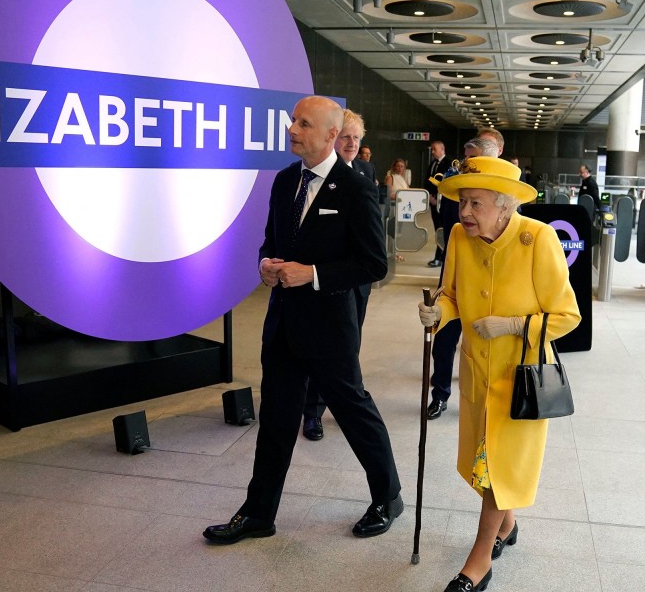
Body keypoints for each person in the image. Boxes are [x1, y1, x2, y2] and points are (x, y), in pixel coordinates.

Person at [203, 96, 402, 544]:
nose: (292, 129)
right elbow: (271, 240)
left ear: (331, 135)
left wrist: (311, 274)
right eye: (293, 121)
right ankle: (258, 513)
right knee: (275, 418)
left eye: (304, 124)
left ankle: (388, 496)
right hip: (283, 325)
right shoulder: (283, 181)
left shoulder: (354, 188)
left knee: (353, 413)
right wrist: (264, 266)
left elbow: (374, 264)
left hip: (331, 328)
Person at [418, 156, 580, 591]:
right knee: (486, 467)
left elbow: (567, 315)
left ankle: (479, 558)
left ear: (505, 206)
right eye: (462, 202)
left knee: (494, 468)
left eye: (475, 204)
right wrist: (439, 310)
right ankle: (507, 525)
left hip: (520, 380)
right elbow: (451, 293)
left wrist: (513, 325)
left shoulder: (538, 238)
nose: (464, 213)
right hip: (477, 373)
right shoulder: (457, 235)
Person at [302, 109, 375, 441]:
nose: (352, 144)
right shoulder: (316, 177)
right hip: (322, 283)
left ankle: (344, 407)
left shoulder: (364, 172)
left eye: (357, 138)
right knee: (321, 350)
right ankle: (313, 412)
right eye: (346, 137)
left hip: (357, 284)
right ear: (332, 138)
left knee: (349, 349)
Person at [427, 136, 499, 420]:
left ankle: (491, 400)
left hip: (495, 283)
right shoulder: (456, 188)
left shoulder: (505, 197)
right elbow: (449, 226)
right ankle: (440, 394)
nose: (464, 168)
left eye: (472, 162)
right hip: (457, 274)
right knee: (444, 338)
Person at [424, 141, 453, 267]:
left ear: (442, 149)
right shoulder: (432, 164)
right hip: (432, 201)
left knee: (442, 229)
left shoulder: (449, 163)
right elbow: (427, 180)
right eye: (432, 149)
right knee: (437, 229)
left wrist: (438, 198)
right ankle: (439, 256)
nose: (432, 151)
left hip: (442, 202)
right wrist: (429, 196)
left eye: (435, 149)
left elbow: (448, 182)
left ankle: (440, 257)